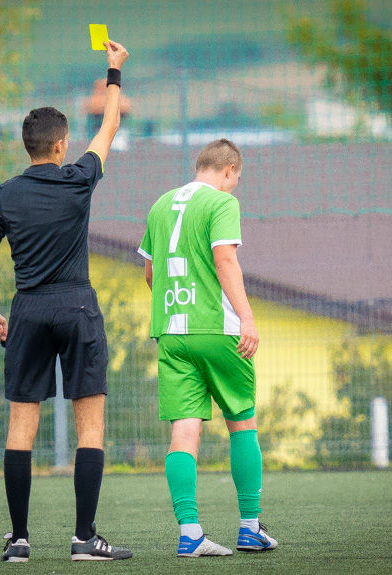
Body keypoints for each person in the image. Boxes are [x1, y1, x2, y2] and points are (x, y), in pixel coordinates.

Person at [0, 39, 131, 563]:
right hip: (78, 308)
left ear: (28, 148)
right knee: (91, 427)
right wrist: (113, 71)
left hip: (30, 309)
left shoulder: (4, 193)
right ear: (61, 146)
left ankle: (18, 541)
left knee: (21, 427)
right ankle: (85, 539)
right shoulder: (78, 179)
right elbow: (108, 128)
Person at [137, 139, 278, 557]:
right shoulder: (221, 203)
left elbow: (149, 272)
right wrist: (247, 317)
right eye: (237, 178)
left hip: (171, 332)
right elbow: (225, 260)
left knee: (183, 432)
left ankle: (190, 532)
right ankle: (250, 527)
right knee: (242, 422)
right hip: (217, 331)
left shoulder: (161, 205)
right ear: (230, 169)